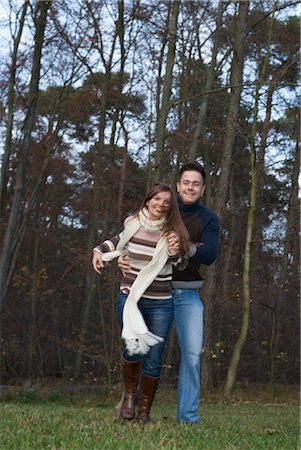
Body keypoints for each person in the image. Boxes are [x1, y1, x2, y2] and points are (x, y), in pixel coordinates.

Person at [119, 162, 220, 425]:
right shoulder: (157, 210)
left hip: (186, 295)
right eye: (186, 182)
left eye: (196, 184)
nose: (190, 187)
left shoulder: (208, 218)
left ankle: (187, 418)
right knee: (139, 347)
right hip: (150, 292)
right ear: (177, 186)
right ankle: (130, 405)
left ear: (203, 189)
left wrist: (183, 247)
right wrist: (121, 257)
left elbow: (210, 254)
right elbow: (129, 239)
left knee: (191, 355)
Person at [92, 182, 190, 423]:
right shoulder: (132, 223)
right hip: (130, 298)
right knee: (132, 350)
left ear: (170, 207)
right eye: (157, 199)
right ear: (148, 200)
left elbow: (181, 264)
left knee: (154, 359)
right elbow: (115, 241)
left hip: (160, 303)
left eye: (166, 202)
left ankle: (145, 409)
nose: (161, 204)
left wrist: (176, 251)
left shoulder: (174, 232)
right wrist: (98, 251)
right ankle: (129, 397)